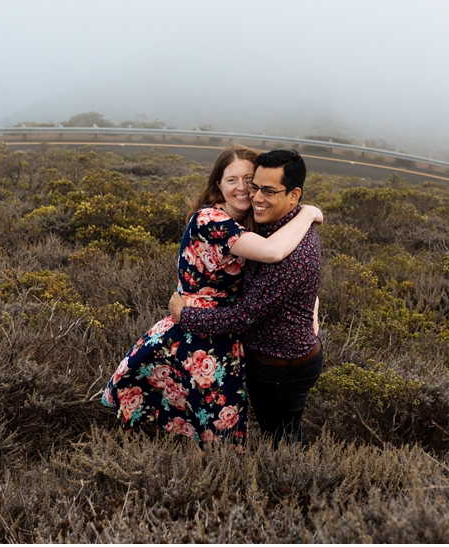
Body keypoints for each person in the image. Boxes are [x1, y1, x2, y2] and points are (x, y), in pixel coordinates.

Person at [101, 146, 323, 447]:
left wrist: (310, 307)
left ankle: (245, 481)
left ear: (291, 194)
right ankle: (203, 485)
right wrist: (309, 212)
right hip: (202, 335)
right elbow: (273, 259)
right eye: (233, 180)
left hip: (226, 336)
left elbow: (286, 272)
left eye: (253, 182)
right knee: (211, 428)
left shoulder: (264, 229)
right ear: (217, 184)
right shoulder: (213, 220)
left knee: (227, 428)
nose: (247, 191)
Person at [170, 149, 323, 446]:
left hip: (281, 364)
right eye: (255, 186)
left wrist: (185, 315)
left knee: (284, 439)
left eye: (265, 189)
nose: (253, 195)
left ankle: (301, 486)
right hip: (264, 355)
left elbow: (244, 316)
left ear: (293, 196)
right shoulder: (269, 223)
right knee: (270, 432)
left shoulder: (289, 246)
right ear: (218, 184)